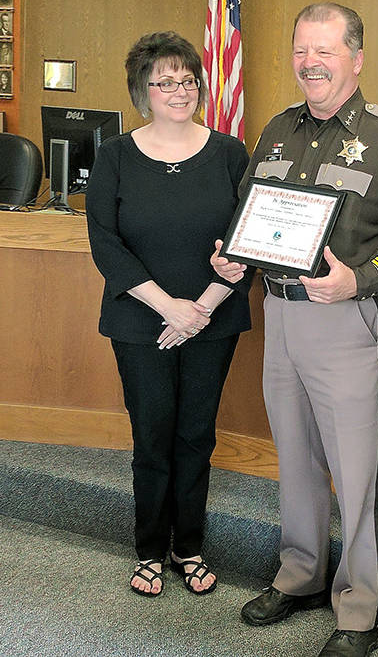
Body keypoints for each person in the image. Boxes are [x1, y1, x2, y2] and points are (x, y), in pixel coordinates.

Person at [211, 2, 378, 657]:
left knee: (356, 469)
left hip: (346, 319)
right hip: (278, 314)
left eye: (325, 51)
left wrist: (361, 279)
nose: (310, 62)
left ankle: (361, 610)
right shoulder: (278, 130)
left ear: (356, 60)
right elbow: (252, 214)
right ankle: (302, 572)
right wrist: (233, 252)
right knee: (297, 457)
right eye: (301, 49)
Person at [86, 31, 252, 599]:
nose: (178, 90)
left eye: (187, 80)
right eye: (164, 82)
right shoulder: (114, 155)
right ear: (143, 92)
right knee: (152, 435)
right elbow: (105, 244)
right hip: (141, 323)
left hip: (214, 318)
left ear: (201, 86)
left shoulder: (231, 153)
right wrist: (169, 308)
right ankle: (150, 550)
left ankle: (190, 547)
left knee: (195, 436)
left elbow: (248, 241)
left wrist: (201, 309)